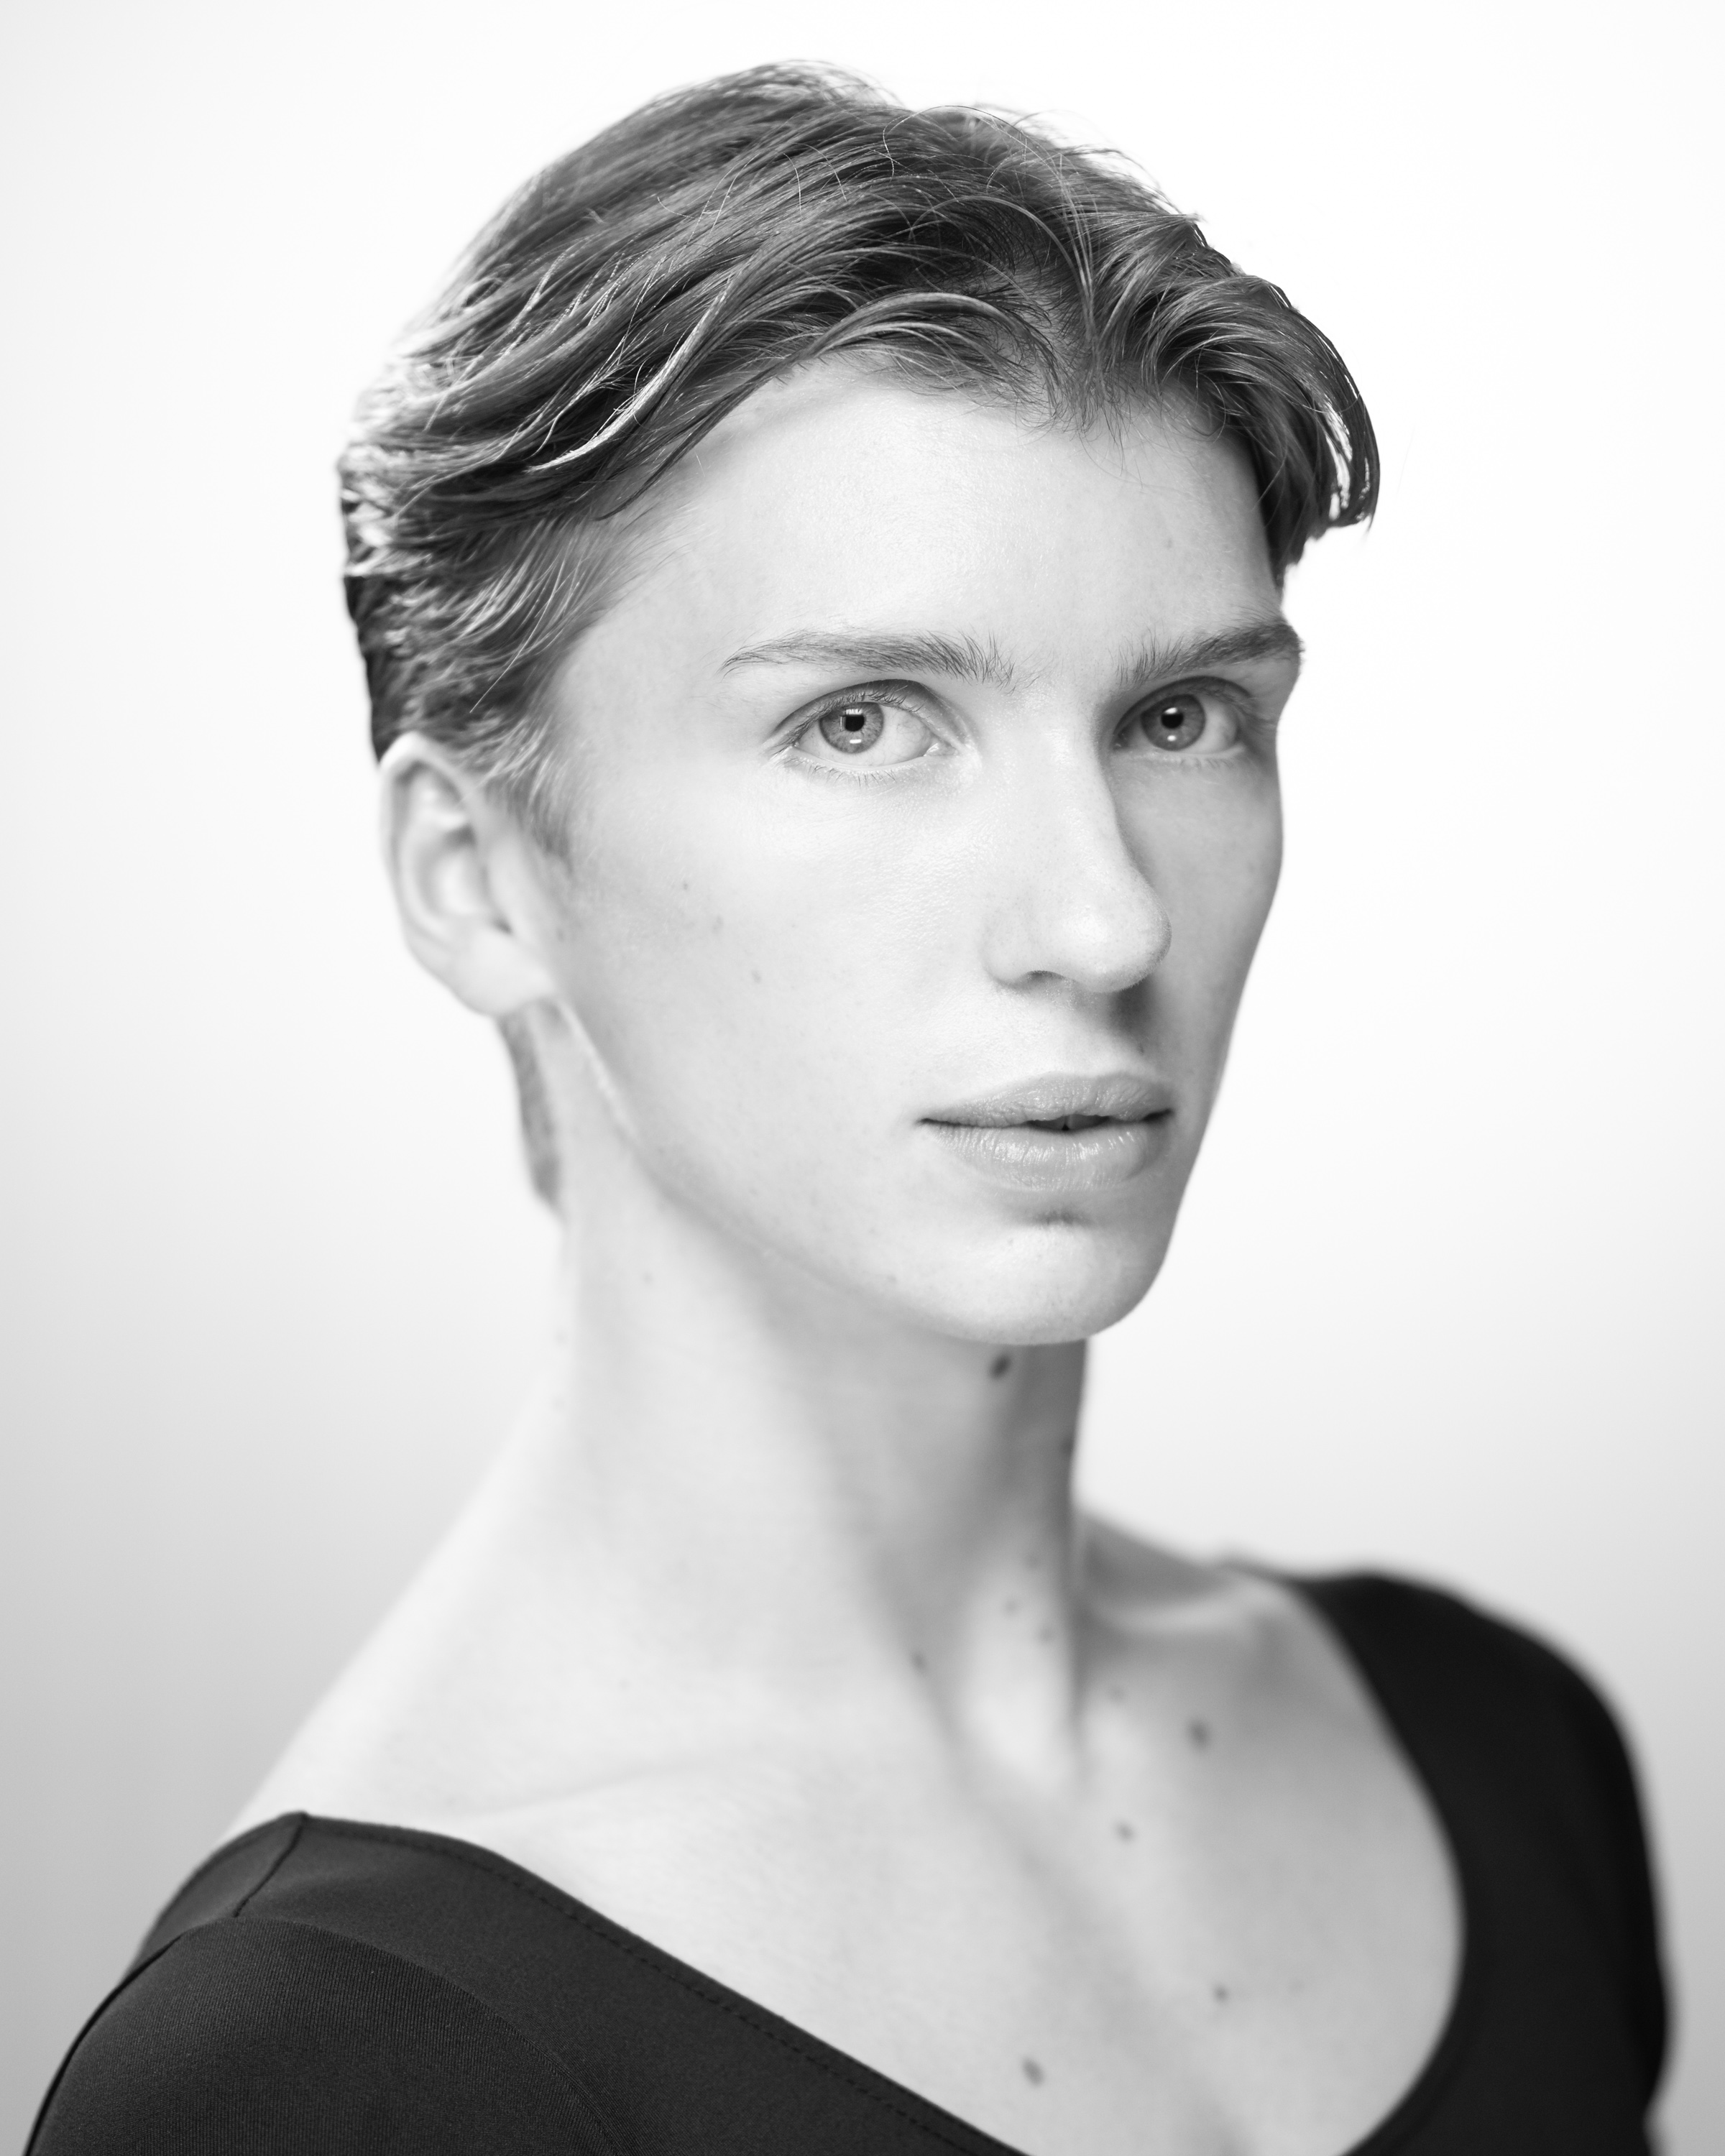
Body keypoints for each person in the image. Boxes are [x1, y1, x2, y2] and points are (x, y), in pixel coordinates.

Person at [27, 64, 1665, 2156]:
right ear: (473, 874)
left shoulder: (1495, 1751)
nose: (1103, 917)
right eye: (865, 722)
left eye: (1180, 718)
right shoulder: (321, 2079)